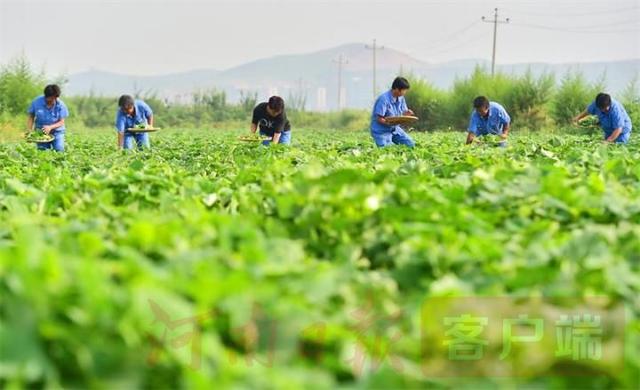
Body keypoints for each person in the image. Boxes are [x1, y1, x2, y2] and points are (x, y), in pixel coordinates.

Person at [370, 77, 415, 148]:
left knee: (410, 144)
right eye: (404, 90)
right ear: (397, 89)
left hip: (395, 129)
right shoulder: (383, 99)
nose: (405, 93)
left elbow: (403, 113)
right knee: (387, 149)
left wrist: (407, 114)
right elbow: (379, 118)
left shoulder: (401, 98)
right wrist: (389, 122)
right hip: (381, 131)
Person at [27, 84, 69, 152]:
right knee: (42, 151)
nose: (52, 100)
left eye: (54, 98)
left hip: (57, 132)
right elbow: (31, 116)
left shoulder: (61, 105)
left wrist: (50, 127)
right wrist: (29, 131)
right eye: (50, 98)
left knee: (59, 149)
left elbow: (61, 122)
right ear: (46, 96)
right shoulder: (36, 102)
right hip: (41, 131)